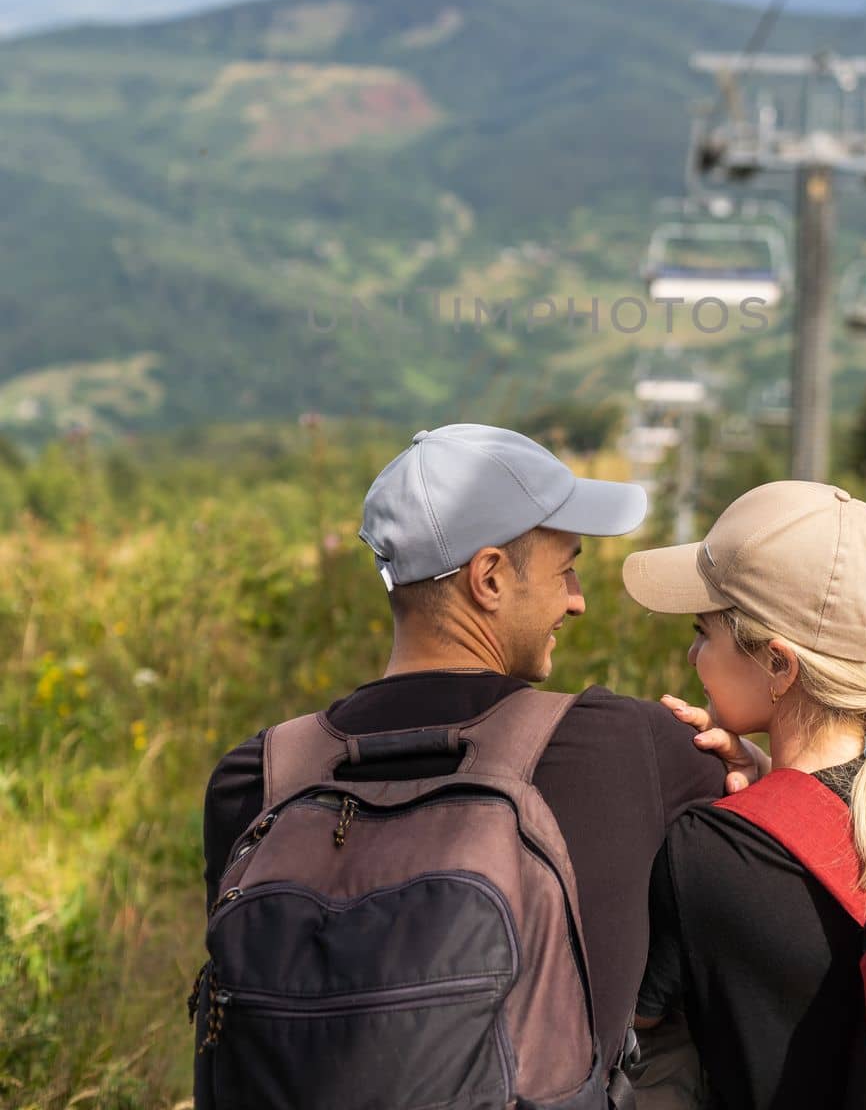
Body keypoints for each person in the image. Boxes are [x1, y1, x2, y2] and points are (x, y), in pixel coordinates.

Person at [202, 423, 748, 1077]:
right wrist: (755, 771)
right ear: (488, 578)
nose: (576, 602)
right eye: (566, 568)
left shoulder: (255, 777)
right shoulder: (636, 748)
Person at [622, 480, 866, 1110]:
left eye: (702, 632)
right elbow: (862, 797)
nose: (692, 654)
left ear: (780, 665)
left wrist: (766, 799)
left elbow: (632, 1030)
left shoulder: (708, 851)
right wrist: (773, 773)